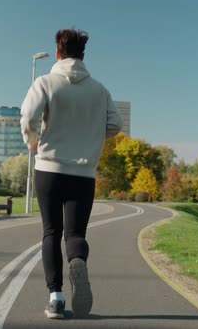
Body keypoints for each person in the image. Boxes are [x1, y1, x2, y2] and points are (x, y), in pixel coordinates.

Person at [20, 28, 123, 319]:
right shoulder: (99, 90)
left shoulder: (45, 83)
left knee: (51, 231)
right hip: (84, 174)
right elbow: (115, 125)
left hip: (49, 170)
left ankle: (56, 298)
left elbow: (28, 117)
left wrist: (32, 142)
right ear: (83, 55)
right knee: (75, 233)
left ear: (57, 53)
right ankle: (77, 259)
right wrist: (90, 137)